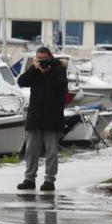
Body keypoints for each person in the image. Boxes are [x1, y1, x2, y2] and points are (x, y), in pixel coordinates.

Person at [16, 46, 68, 193]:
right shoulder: (35, 70)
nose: (42, 62)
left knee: (51, 151)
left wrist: (48, 72)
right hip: (36, 116)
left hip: (52, 117)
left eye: (44, 59)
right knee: (31, 150)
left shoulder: (59, 69)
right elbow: (21, 82)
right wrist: (35, 68)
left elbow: (62, 86)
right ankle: (29, 179)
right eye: (39, 59)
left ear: (50, 57)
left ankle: (49, 180)